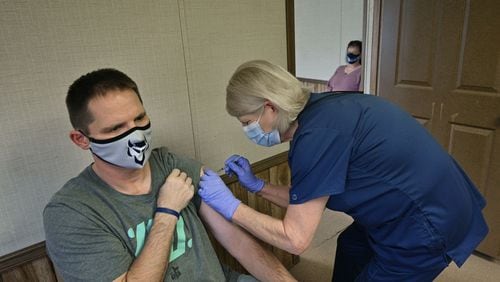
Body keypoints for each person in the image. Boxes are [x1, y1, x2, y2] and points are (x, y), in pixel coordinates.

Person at [197, 60, 489, 281]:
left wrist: (230, 205)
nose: (247, 129)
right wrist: (257, 186)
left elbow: (295, 238)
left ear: (270, 108)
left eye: (247, 121)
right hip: (424, 201)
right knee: (351, 244)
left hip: (427, 223)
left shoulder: (317, 136)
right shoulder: (323, 108)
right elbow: (307, 201)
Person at [43, 68, 296, 282]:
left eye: (139, 118)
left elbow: (236, 241)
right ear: (81, 139)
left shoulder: (168, 163)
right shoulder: (72, 212)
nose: (136, 135)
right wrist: (166, 213)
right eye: (116, 128)